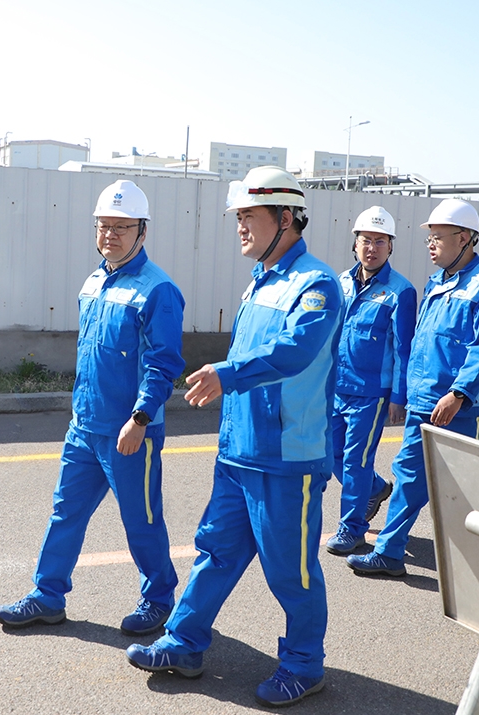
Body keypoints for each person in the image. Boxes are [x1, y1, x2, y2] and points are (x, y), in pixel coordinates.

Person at [125, 166, 343, 708]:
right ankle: (183, 643)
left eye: (249, 215)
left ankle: (304, 665)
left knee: (290, 572)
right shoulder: (261, 280)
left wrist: (226, 374)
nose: (240, 226)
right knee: (215, 552)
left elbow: (292, 353)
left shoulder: (316, 284)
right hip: (239, 451)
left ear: (286, 218)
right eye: (238, 216)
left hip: (286, 457)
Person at [0, 179, 186, 636]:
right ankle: (47, 595)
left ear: (142, 231)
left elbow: (163, 364)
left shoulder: (158, 290)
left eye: (122, 227)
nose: (110, 235)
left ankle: (159, 599)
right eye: (103, 226)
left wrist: (140, 418)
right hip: (84, 426)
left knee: (140, 520)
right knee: (66, 513)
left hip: (129, 430)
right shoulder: (94, 281)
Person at [347, 199, 479, 577]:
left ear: (465, 238)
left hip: (463, 408)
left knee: (467, 487)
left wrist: (459, 394)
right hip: (424, 402)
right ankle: (389, 553)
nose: (431, 245)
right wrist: (409, 393)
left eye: (438, 237)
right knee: (408, 476)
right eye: (429, 238)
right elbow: (422, 344)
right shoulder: (437, 282)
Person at [325, 207, 417, 556]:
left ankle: (352, 530)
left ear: (391, 246)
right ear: (355, 244)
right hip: (337, 387)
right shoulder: (340, 282)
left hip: (371, 394)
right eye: (366, 240)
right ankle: (375, 488)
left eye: (380, 241)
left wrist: (398, 396)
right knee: (328, 453)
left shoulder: (400, 291)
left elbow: (403, 348)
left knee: (355, 461)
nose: (372, 248)